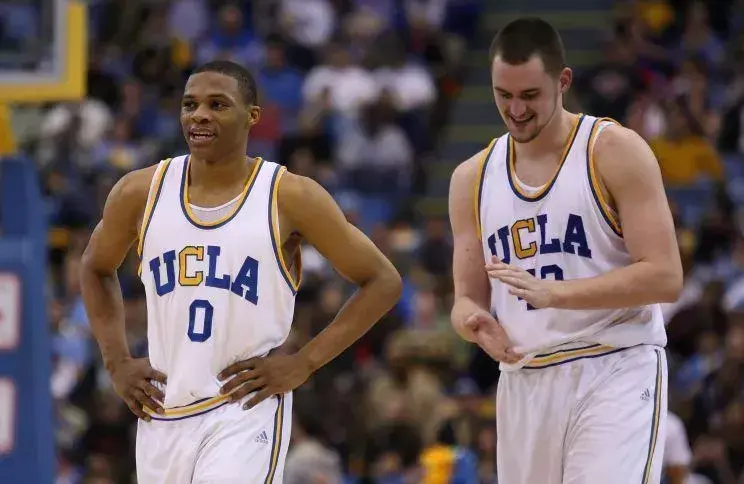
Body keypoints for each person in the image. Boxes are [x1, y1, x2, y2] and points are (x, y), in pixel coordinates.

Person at [79, 60, 402, 483]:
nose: (199, 115)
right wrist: (116, 362)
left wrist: (304, 363)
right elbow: (95, 267)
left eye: (218, 104)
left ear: (253, 116)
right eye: (190, 104)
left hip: (244, 409)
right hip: (163, 413)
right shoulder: (139, 191)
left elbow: (383, 281)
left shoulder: (289, 195)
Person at [448, 18, 682, 483]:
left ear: (563, 81)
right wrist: (473, 323)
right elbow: (466, 298)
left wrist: (557, 294)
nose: (516, 110)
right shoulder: (470, 178)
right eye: (503, 95)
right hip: (524, 377)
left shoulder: (612, 150)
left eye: (529, 95)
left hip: (614, 364)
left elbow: (665, 276)